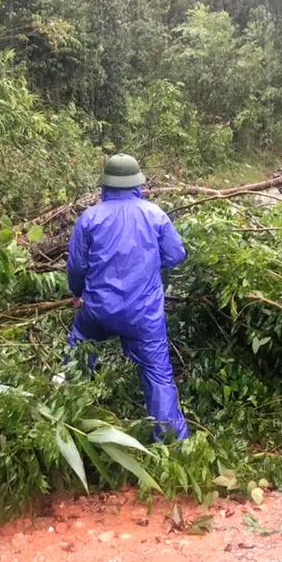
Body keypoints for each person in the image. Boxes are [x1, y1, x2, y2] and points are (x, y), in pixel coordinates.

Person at [67, 153, 189, 441]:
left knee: (78, 351)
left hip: (98, 311)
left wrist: (77, 293)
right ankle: (171, 442)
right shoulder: (155, 214)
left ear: (105, 185)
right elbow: (176, 254)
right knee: (158, 374)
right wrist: (148, 264)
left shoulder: (90, 218)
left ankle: (67, 418)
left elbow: (77, 266)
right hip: (144, 316)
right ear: (138, 184)